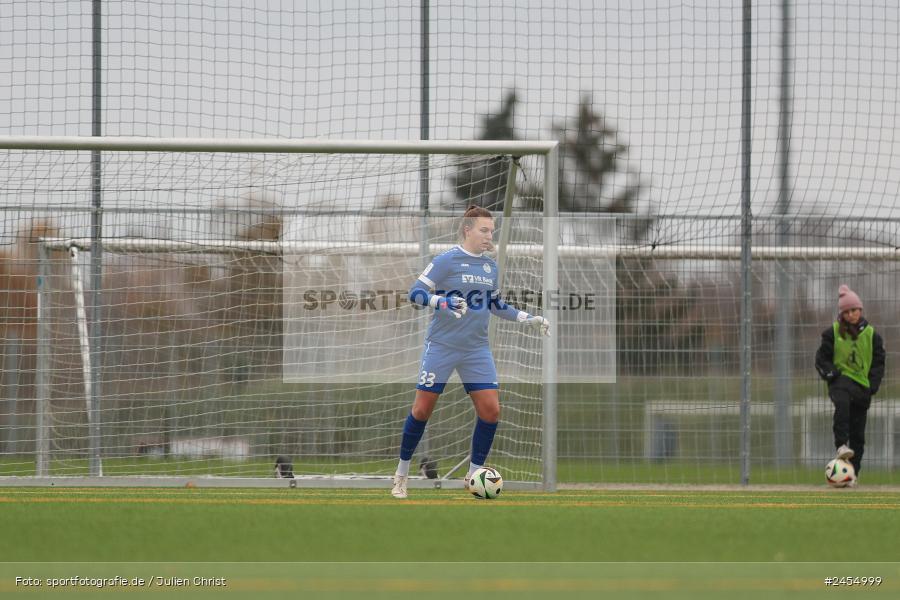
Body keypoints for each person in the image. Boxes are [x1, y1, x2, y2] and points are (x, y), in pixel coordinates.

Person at [390, 205, 550, 499]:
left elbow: (496, 305)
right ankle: (401, 475)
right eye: (484, 230)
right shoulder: (446, 260)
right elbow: (415, 292)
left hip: (476, 349)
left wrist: (528, 318)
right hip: (442, 346)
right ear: (468, 230)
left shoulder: (490, 267)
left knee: (491, 411)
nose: (489, 235)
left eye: (492, 230)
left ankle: (474, 476)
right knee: (422, 410)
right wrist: (442, 302)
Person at [815, 284, 885, 484]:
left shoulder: (873, 335)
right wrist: (832, 375)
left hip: (862, 387)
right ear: (842, 313)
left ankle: (852, 473)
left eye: (854, 310)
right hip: (841, 381)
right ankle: (841, 445)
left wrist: (872, 386)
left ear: (860, 310)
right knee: (842, 404)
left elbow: (879, 362)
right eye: (846, 312)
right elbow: (821, 359)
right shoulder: (832, 333)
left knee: (859, 434)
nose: (851, 314)